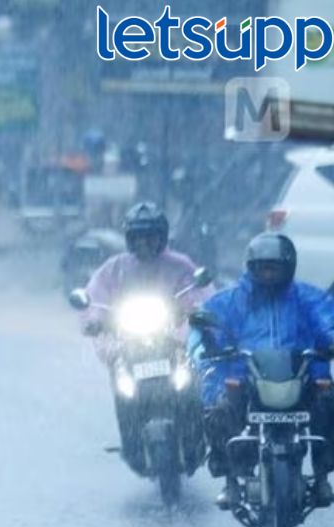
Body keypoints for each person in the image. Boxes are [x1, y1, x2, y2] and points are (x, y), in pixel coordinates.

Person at [191, 232, 334, 510]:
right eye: (262, 268)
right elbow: (207, 325)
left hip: (302, 374)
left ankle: (321, 477)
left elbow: (327, 320)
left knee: (329, 403)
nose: (268, 274)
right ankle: (231, 479)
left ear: (288, 267)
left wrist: (330, 340)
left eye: (274, 267)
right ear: (251, 268)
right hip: (246, 376)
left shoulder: (307, 297)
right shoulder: (232, 299)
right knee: (219, 410)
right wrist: (208, 342)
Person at [81, 202, 211, 474]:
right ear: (129, 238)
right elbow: (95, 297)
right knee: (123, 390)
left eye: (150, 236)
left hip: (172, 341)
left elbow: (199, 292)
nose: (144, 242)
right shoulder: (114, 268)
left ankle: (196, 439)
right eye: (138, 236)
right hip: (129, 344)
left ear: (162, 237)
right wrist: (94, 320)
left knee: (191, 386)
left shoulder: (180, 265)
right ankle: (132, 446)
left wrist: (197, 312)